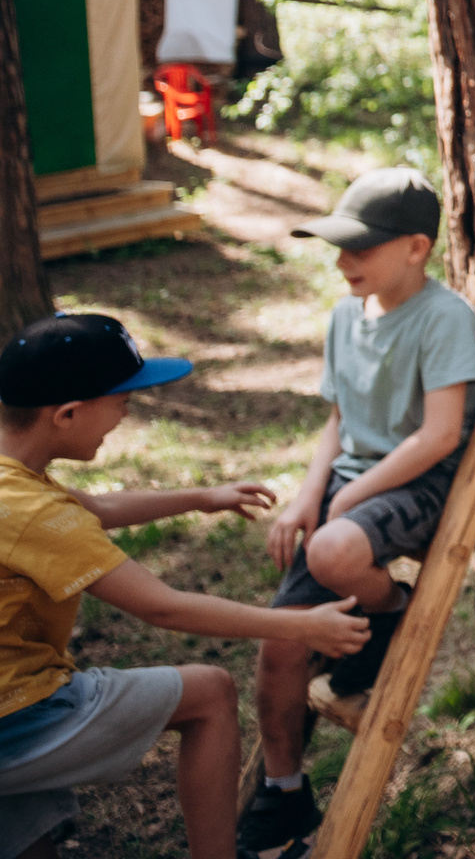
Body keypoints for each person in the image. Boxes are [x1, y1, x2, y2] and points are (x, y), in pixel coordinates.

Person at [0, 313, 369, 859]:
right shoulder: (35, 514)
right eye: (121, 399)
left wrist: (200, 497)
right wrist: (301, 624)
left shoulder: (14, 479)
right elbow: (164, 609)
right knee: (209, 693)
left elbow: (95, 508)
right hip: (15, 712)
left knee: (26, 826)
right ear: (67, 414)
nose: (127, 412)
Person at [238, 169, 475, 859]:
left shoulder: (444, 317)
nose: (343, 262)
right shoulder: (346, 315)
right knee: (279, 645)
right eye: (338, 249)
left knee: (334, 549)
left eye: (360, 249)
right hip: (355, 487)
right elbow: (338, 422)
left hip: (419, 486)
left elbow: (437, 435)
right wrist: (308, 495)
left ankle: (388, 611)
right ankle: (284, 791)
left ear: (416, 247)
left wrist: (347, 499)